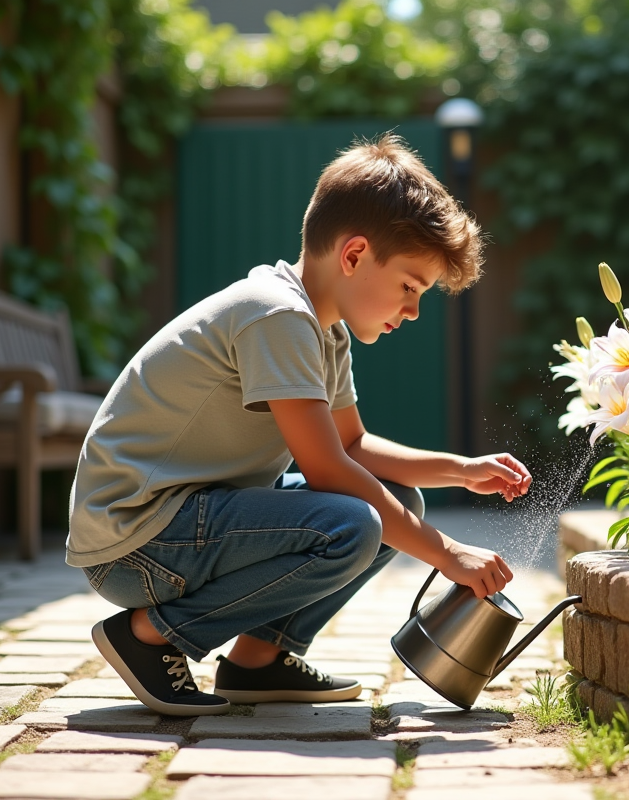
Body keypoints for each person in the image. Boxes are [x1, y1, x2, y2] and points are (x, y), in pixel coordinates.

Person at [66, 134, 531, 716]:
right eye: (410, 287)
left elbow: (353, 445)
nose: (413, 310)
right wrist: (446, 553)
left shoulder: (322, 327)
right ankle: (148, 636)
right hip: (137, 538)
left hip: (185, 520)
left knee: (395, 502)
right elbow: (327, 468)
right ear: (355, 255)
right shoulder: (277, 315)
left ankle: (259, 661)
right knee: (355, 524)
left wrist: (459, 471)